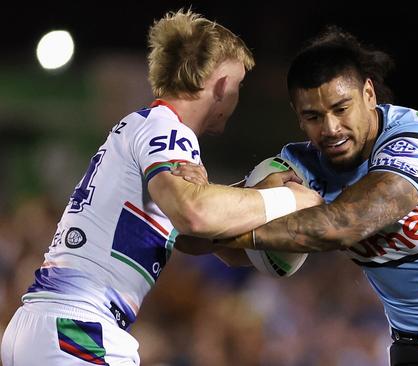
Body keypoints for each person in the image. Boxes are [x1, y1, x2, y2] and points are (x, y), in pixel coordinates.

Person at [176, 27, 418, 365]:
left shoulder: (416, 142)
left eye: (341, 108)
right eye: (313, 117)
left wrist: (240, 227)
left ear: (369, 94)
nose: (330, 128)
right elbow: (193, 240)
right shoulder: (297, 168)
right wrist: (197, 200)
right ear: (298, 117)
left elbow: (346, 224)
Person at [0, 10, 322, 366]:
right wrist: (291, 198)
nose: (237, 96)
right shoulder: (167, 131)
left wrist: (257, 200)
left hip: (48, 327)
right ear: (220, 82)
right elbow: (195, 214)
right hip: (77, 327)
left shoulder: (146, 129)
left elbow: (196, 239)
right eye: (238, 84)